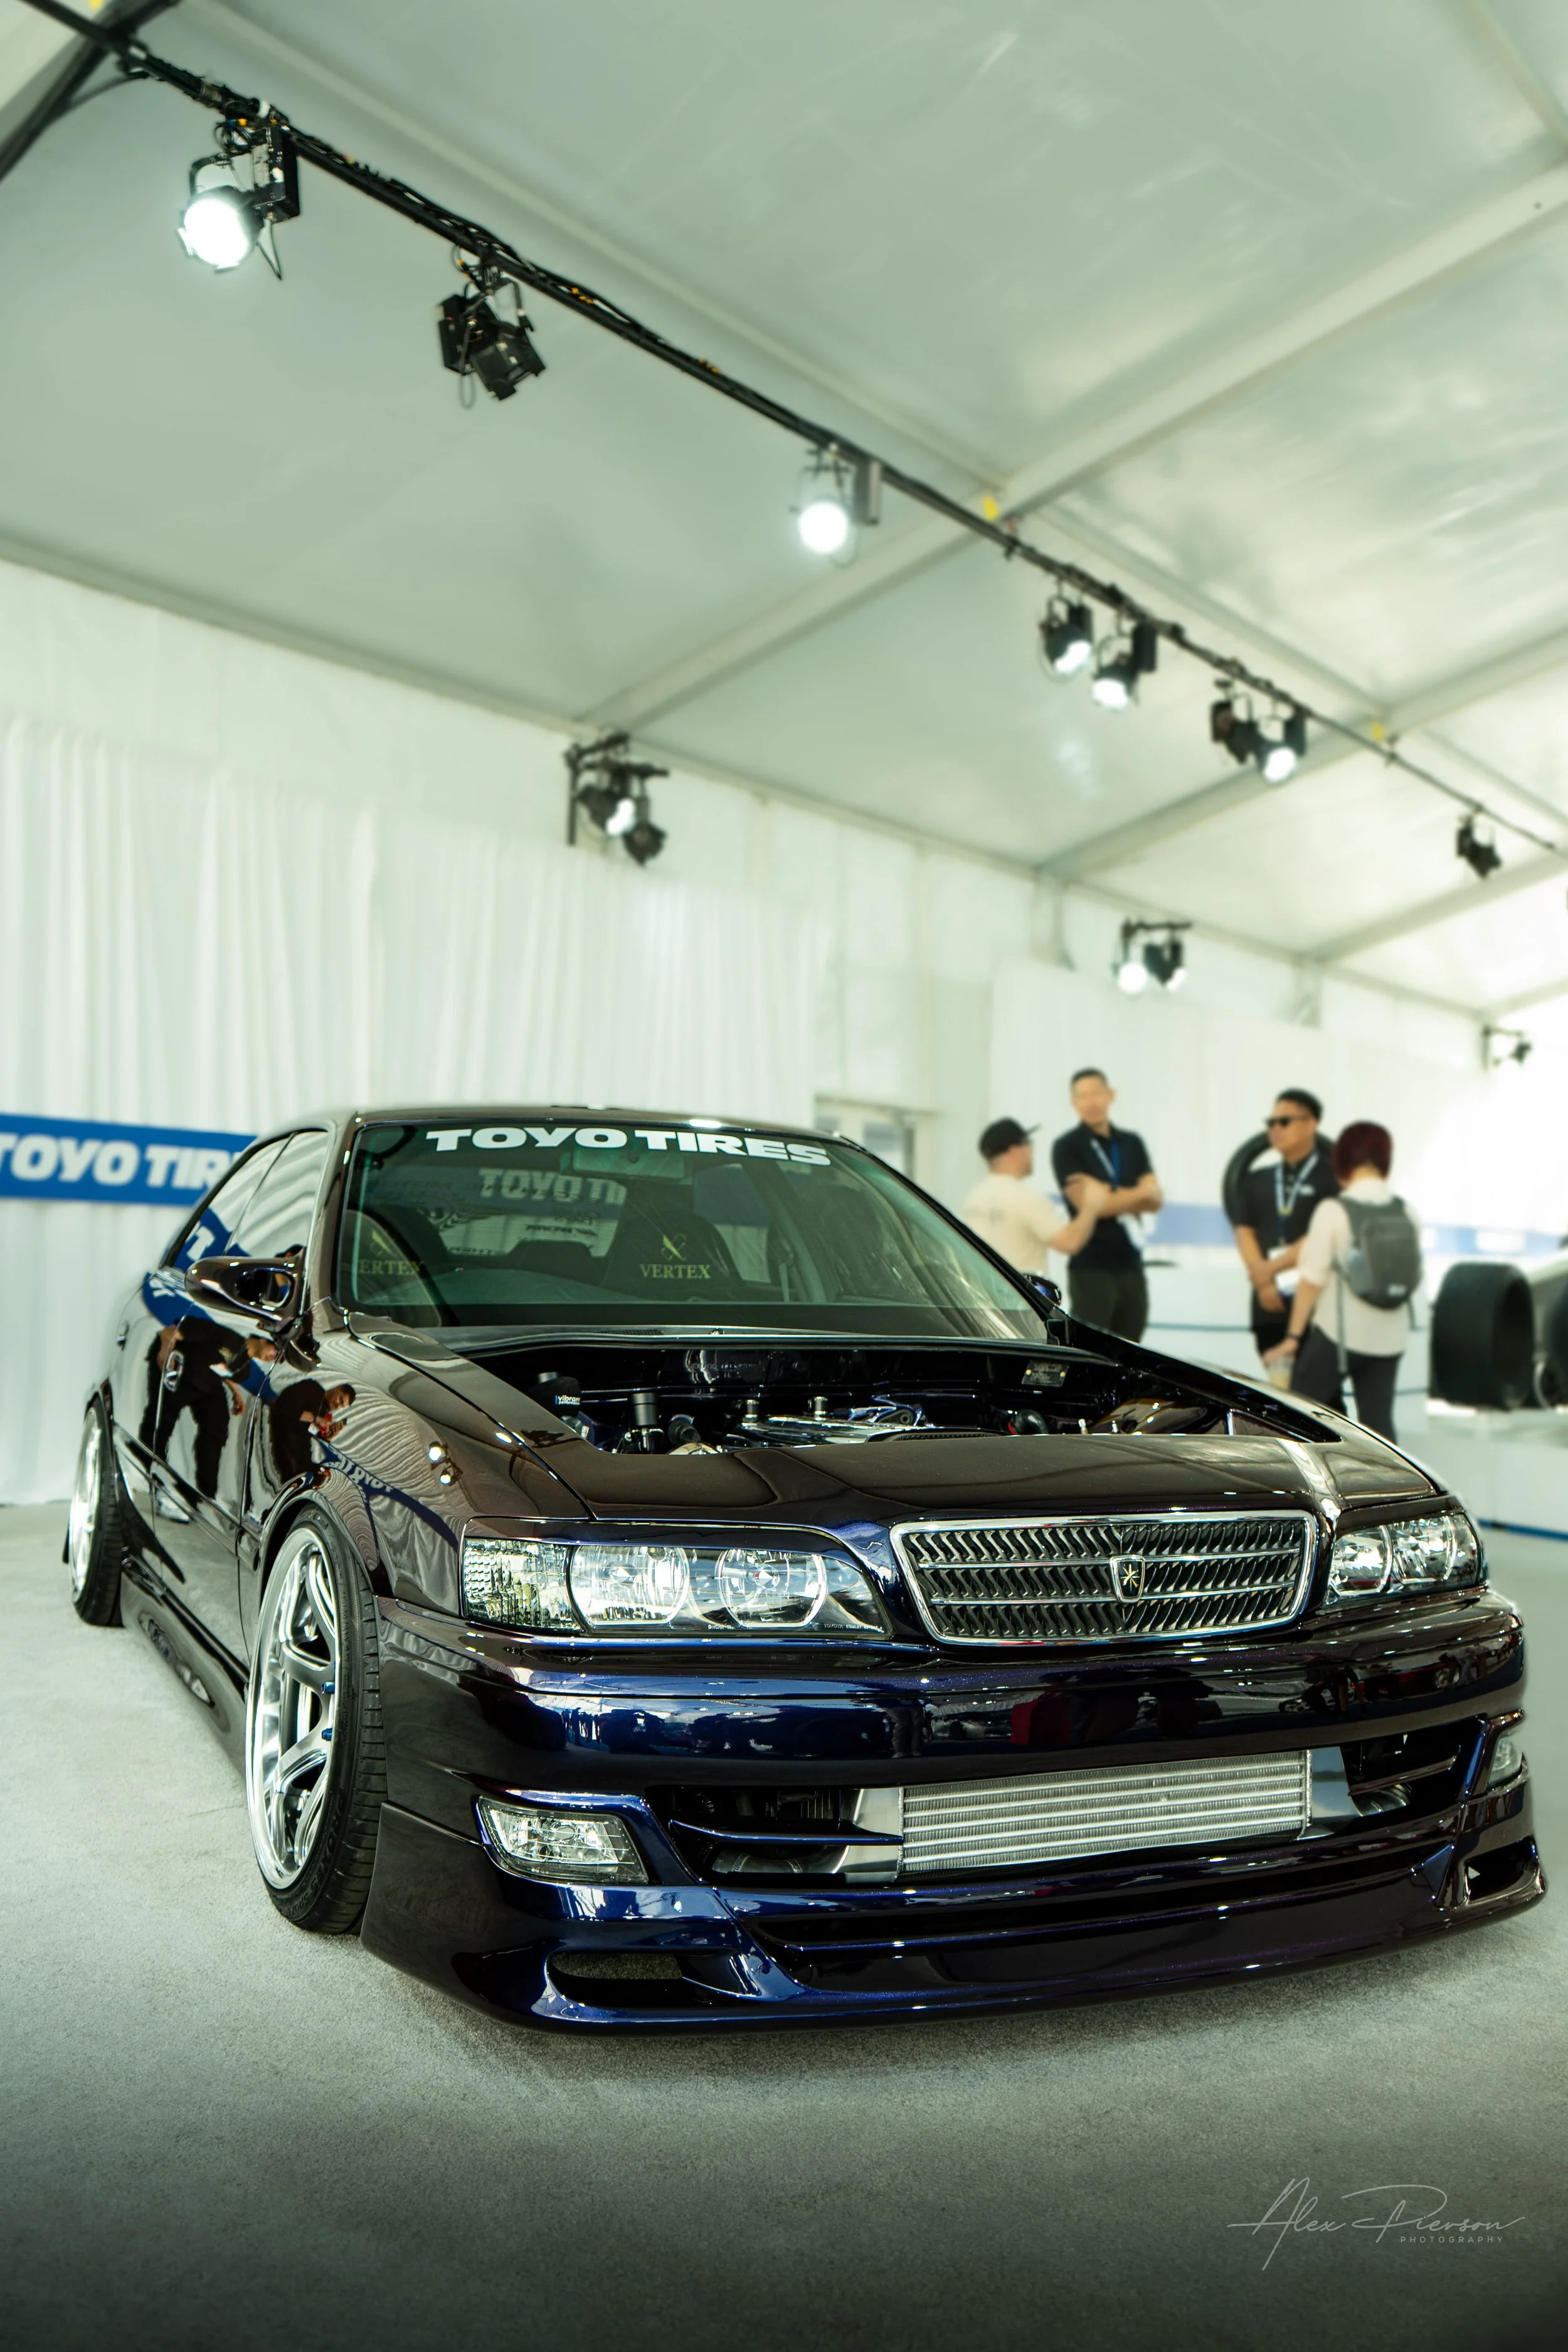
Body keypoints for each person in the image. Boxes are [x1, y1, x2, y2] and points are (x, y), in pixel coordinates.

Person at [1262, 1121, 1411, 1441]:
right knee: (1379, 1423)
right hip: (1391, 1336)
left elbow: (1312, 1280)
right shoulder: (1407, 1212)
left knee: (1297, 1413)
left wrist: (1293, 1337)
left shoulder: (1334, 1210)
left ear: (1342, 1160)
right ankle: (1391, 1486)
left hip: (1340, 1335)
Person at [1051, 1069, 1162, 1339]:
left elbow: (1155, 1200)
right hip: (1091, 1265)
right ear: (1073, 1103)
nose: (1091, 1102)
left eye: (1097, 1093)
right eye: (1083, 1096)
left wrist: (1106, 1193)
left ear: (1111, 1095)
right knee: (1093, 1348)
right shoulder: (1068, 1147)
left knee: (1133, 1348)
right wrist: (1138, 1192)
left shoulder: (1131, 1144)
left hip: (1131, 1265)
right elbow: (1089, 1205)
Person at [1232, 1088, 1338, 1362]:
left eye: (1285, 1122)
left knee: (1318, 1394)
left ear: (1311, 1124)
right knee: (1277, 1389)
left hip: (1317, 1303)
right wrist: (1264, 1282)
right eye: (1272, 1123)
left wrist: (1270, 1269)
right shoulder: (1258, 1178)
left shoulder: (1333, 1178)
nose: (1276, 1129)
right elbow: (1244, 1231)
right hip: (1268, 1301)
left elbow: (1322, 1235)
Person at [962, 1116, 1109, 1273]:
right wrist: (1091, 1206)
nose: (1031, 1151)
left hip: (982, 1293)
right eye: (1028, 1144)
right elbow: (1069, 1242)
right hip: (1018, 1293)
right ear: (1014, 1151)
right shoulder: (1024, 1197)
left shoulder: (973, 1198)